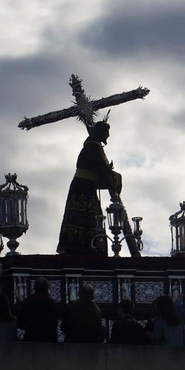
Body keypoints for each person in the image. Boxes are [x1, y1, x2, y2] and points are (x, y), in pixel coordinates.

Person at [57, 120, 122, 256]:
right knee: (88, 216)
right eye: (107, 132)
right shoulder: (93, 147)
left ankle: (82, 245)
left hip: (84, 186)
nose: (108, 136)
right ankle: (86, 247)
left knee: (88, 216)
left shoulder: (93, 146)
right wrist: (116, 177)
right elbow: (100, 169)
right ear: (101, 132)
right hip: (83, 188)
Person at [16, 279, 60, 343]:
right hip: (49, 341)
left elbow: (20, 323)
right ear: (47, 288)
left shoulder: (28, 302)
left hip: (31, 339)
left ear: (34, 288)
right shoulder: (53, 303)